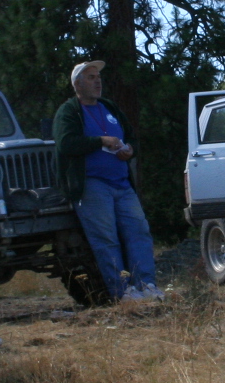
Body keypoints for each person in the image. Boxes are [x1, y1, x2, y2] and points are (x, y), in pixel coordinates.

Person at [53, 61, 162, 301]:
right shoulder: (70, 111)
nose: (98, 81)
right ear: (77, 84)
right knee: (106, 239)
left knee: (139, 232)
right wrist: (100, 141)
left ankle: (147, 286)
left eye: (98, 76)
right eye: (91, 77)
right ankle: (123, 292)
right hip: (92, 185)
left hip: (122, 184)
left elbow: (131, 136)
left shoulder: (109, 107)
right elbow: (66, 143)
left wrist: (129, 150)